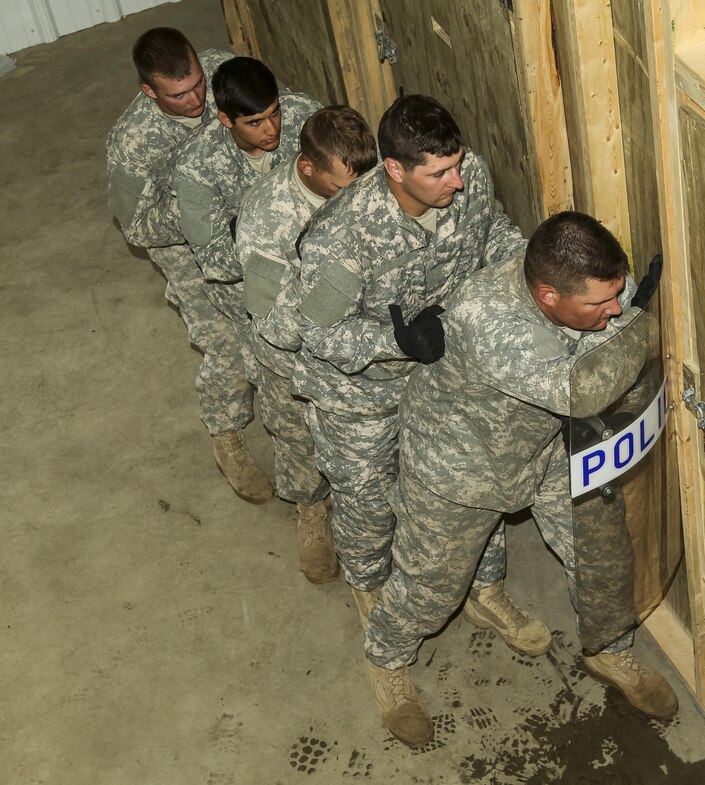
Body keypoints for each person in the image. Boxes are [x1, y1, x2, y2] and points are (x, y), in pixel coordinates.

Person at [364, 211, 675, 746]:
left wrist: (611, 319)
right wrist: (642, 327)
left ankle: (610, 650)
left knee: (600, 550)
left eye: (618, 295)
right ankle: (387, 660)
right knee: (431, 590)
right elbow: (580, 391)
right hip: (457, 470)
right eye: (600, 304)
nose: (616, 309)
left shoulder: (557, 278)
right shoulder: (493, 323)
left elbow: (590, 352)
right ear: (549, 296)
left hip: (539, 448)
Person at [293, 95, 542, 651]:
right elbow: (317, 334)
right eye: (439, 173)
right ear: (395, 169)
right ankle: (373, 594)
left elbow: (494, 236)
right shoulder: (342, 235)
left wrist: (535, 267)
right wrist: (394, 340)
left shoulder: (468, 175)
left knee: (473, 481)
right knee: (368, 499)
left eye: (456, 164)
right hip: (360, 393)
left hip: (443, 375)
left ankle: (485, 587)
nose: (456, 181)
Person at [106, 28, 271, 501]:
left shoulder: (223, 72)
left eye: (199, 83)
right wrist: (202, 211)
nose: (197, 98)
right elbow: (137, 227)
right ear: (149, 92)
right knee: (226, 347)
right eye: (179, 95)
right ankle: (227, 435)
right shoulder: (132, 143)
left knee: (272, 331)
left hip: (252, 226)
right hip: (186, 251)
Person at [234, 106, 377, 583]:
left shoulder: (363, 188)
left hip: (357, 353)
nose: (356, 198)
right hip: (293, 362)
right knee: (298, 439)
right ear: (307, 167)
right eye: (342, 189)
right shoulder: (266, 218)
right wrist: (328, 303)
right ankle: (310, 512)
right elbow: (270, 320)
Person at [171, 56, 320, 502]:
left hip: (310, 275)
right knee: (243, 367)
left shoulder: (303, 118)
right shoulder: (196, 166)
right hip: (242, 291)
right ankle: (228, 434)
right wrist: (269, 241)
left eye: (274, 112)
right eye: (255, 122)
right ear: (225, 119)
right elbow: (215, 261)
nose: (272, 128)